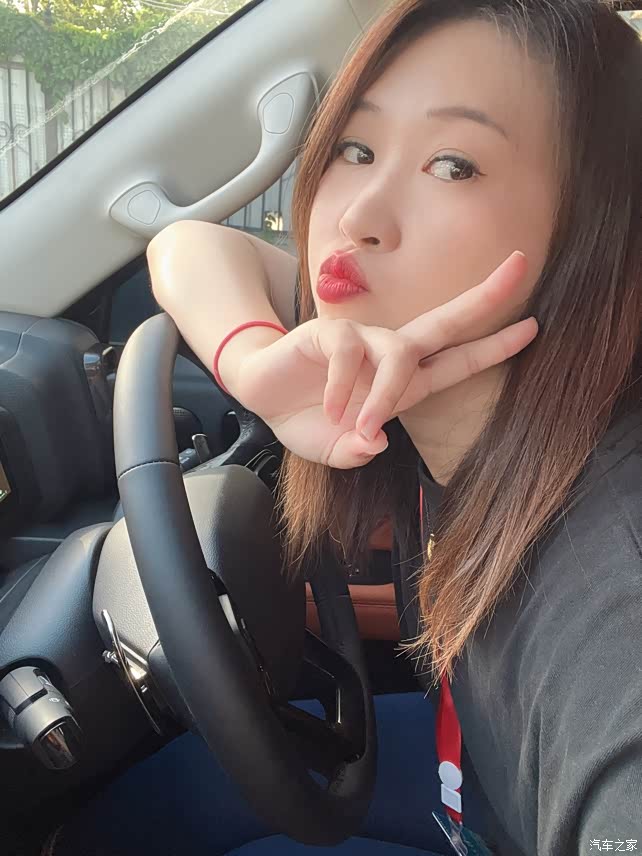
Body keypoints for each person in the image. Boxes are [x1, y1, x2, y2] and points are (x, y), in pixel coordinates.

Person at [49, 1, 641, 855]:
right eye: (356, 149)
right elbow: (186, 247)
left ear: (597, 237)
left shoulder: (614, 601)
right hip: (476, 776)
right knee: (169, 798)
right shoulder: (427, 387)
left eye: (453, 165)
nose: (359, 209)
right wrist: (251, 360)